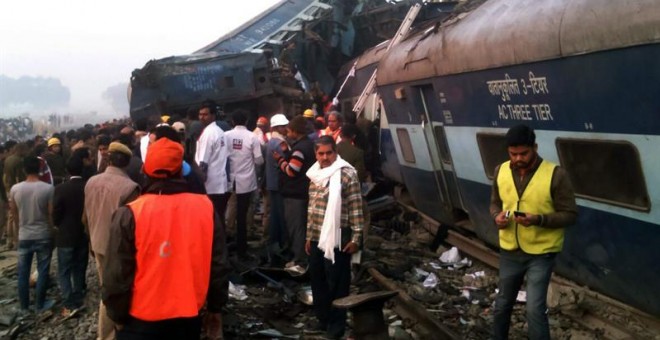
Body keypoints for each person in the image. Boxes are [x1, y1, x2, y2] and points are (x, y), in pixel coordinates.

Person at [102, 138, 228, 340]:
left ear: (145, 170)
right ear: (181, 170)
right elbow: (218, 264)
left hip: (140, 318)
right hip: (189, 316)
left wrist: (117, 315)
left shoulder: (129, 214)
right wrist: (215, 308)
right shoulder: (206, 208)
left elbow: (116, 275)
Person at [490, 124, 578, 340]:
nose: (518, 158)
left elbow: (570, 214)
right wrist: (496, 217)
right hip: (510, 250)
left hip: (541, 253)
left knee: (534, 310)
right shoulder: (499, 171)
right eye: (513, 154)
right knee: (502, 305)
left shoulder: (556, 175)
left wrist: (539, 219)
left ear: (535, 148)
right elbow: (494, 203)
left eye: (523, 153)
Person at [305, 136, 364, 339]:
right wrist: (308, 236)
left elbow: (356, 207)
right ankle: (322, 319)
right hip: (317, 236)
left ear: (335, 153)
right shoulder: (315, 174)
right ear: (316, 154)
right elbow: (312, 208)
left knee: (338, 282)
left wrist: (356, 238)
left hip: (339, 234)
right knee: (317, 278)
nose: (325, 157)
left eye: (329, 153)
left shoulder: (346, 174)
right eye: (321, 153)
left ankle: (336, 327)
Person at [84, 142, 140, 340]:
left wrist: (91, 240)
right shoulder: (130, 187)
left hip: (97, 242)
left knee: (106, 288)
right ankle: (110, 334)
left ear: (108, 159)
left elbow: (86, 216)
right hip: (118, 249)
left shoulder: (91, 182)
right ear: (127, 162)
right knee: (115, 292)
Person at [9, 156, 55, 312]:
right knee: (42, 271)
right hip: (43, 235)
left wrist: (18, 232)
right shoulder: (48, 188)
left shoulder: (15, 189)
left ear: (24, 169)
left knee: (23, 273)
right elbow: (50, 215)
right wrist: (52, 232)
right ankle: (40, 305)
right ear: (39, 169)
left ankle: (24, 307)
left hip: (24, 235)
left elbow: (14, 214)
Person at [273, 116, 315, 270]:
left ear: (296, 132)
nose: (287, 133)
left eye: (289, 131)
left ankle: (299, 260)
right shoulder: (309, 145)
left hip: (295, 193)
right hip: (304, 191)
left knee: (296, 228)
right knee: (303, 227)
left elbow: (292, 171)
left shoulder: (299, 149)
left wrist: (280, 160)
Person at [224, 109, 264, 260]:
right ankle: (242, 248)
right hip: (246, 181)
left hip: (228, 179)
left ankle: (226, 242)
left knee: (225, 210)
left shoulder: (226, 136)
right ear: (246, 121)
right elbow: (259, 160)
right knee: (242, 215)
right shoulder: (252, 137)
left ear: (232, 122)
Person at [53, 155, 89, 315]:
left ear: (67, 171)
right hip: (82, 233)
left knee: (64, 269)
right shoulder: (88, 186)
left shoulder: (61, 188)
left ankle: (68, 301)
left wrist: (57, 224)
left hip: (65, 234)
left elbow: (56, 212)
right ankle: (79, 293)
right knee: (80, 265)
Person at [195, 100, 230, 225]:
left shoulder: (209, 134)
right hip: (220, 183)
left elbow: (203, 163)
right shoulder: (219, 131)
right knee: (219, 219)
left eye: (205, 114)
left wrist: (198, 182)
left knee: (211, 221)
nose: (202, 117)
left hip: (210, 185)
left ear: (213, 115)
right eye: (200, 114)